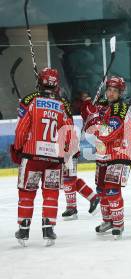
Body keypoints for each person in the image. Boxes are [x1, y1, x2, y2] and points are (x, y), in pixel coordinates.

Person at [10, 68, 74, 246]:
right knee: (51, 193)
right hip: (54, 159)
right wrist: (65, 151)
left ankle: (23, 231)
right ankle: (48, 229)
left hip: (32, 156)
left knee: (26, 192)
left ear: (40, 82)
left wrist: (17, 148)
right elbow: (69, 132)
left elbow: (21, 130)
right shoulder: (62, 105)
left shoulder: (32, 101)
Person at [81, 76, 131, 239]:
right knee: (101, 190)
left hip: (119, 153)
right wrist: (86, 110)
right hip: (103, 154)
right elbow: (89, 125)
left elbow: (107, 133)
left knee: (111, 189)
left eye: (115, 91)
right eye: (109, 90)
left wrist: (93, 119)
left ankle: (118, 224)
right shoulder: (103, 105)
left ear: (120, 93)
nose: (111, 93)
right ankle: (108, 220)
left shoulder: (120, 108)